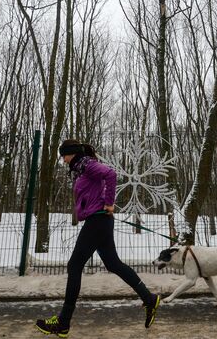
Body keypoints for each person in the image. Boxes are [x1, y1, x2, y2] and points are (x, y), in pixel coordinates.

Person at [36, 139, 161, 338]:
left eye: (64, 155)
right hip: (98, 221)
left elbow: (111, 174)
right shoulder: (81, 168)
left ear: (72, 153)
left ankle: (63, 322)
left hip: (98, 220)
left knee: (74, 266)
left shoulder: (88, 165)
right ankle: (149, 298)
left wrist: (110, 203)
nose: (63, 159)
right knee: (113, 264)